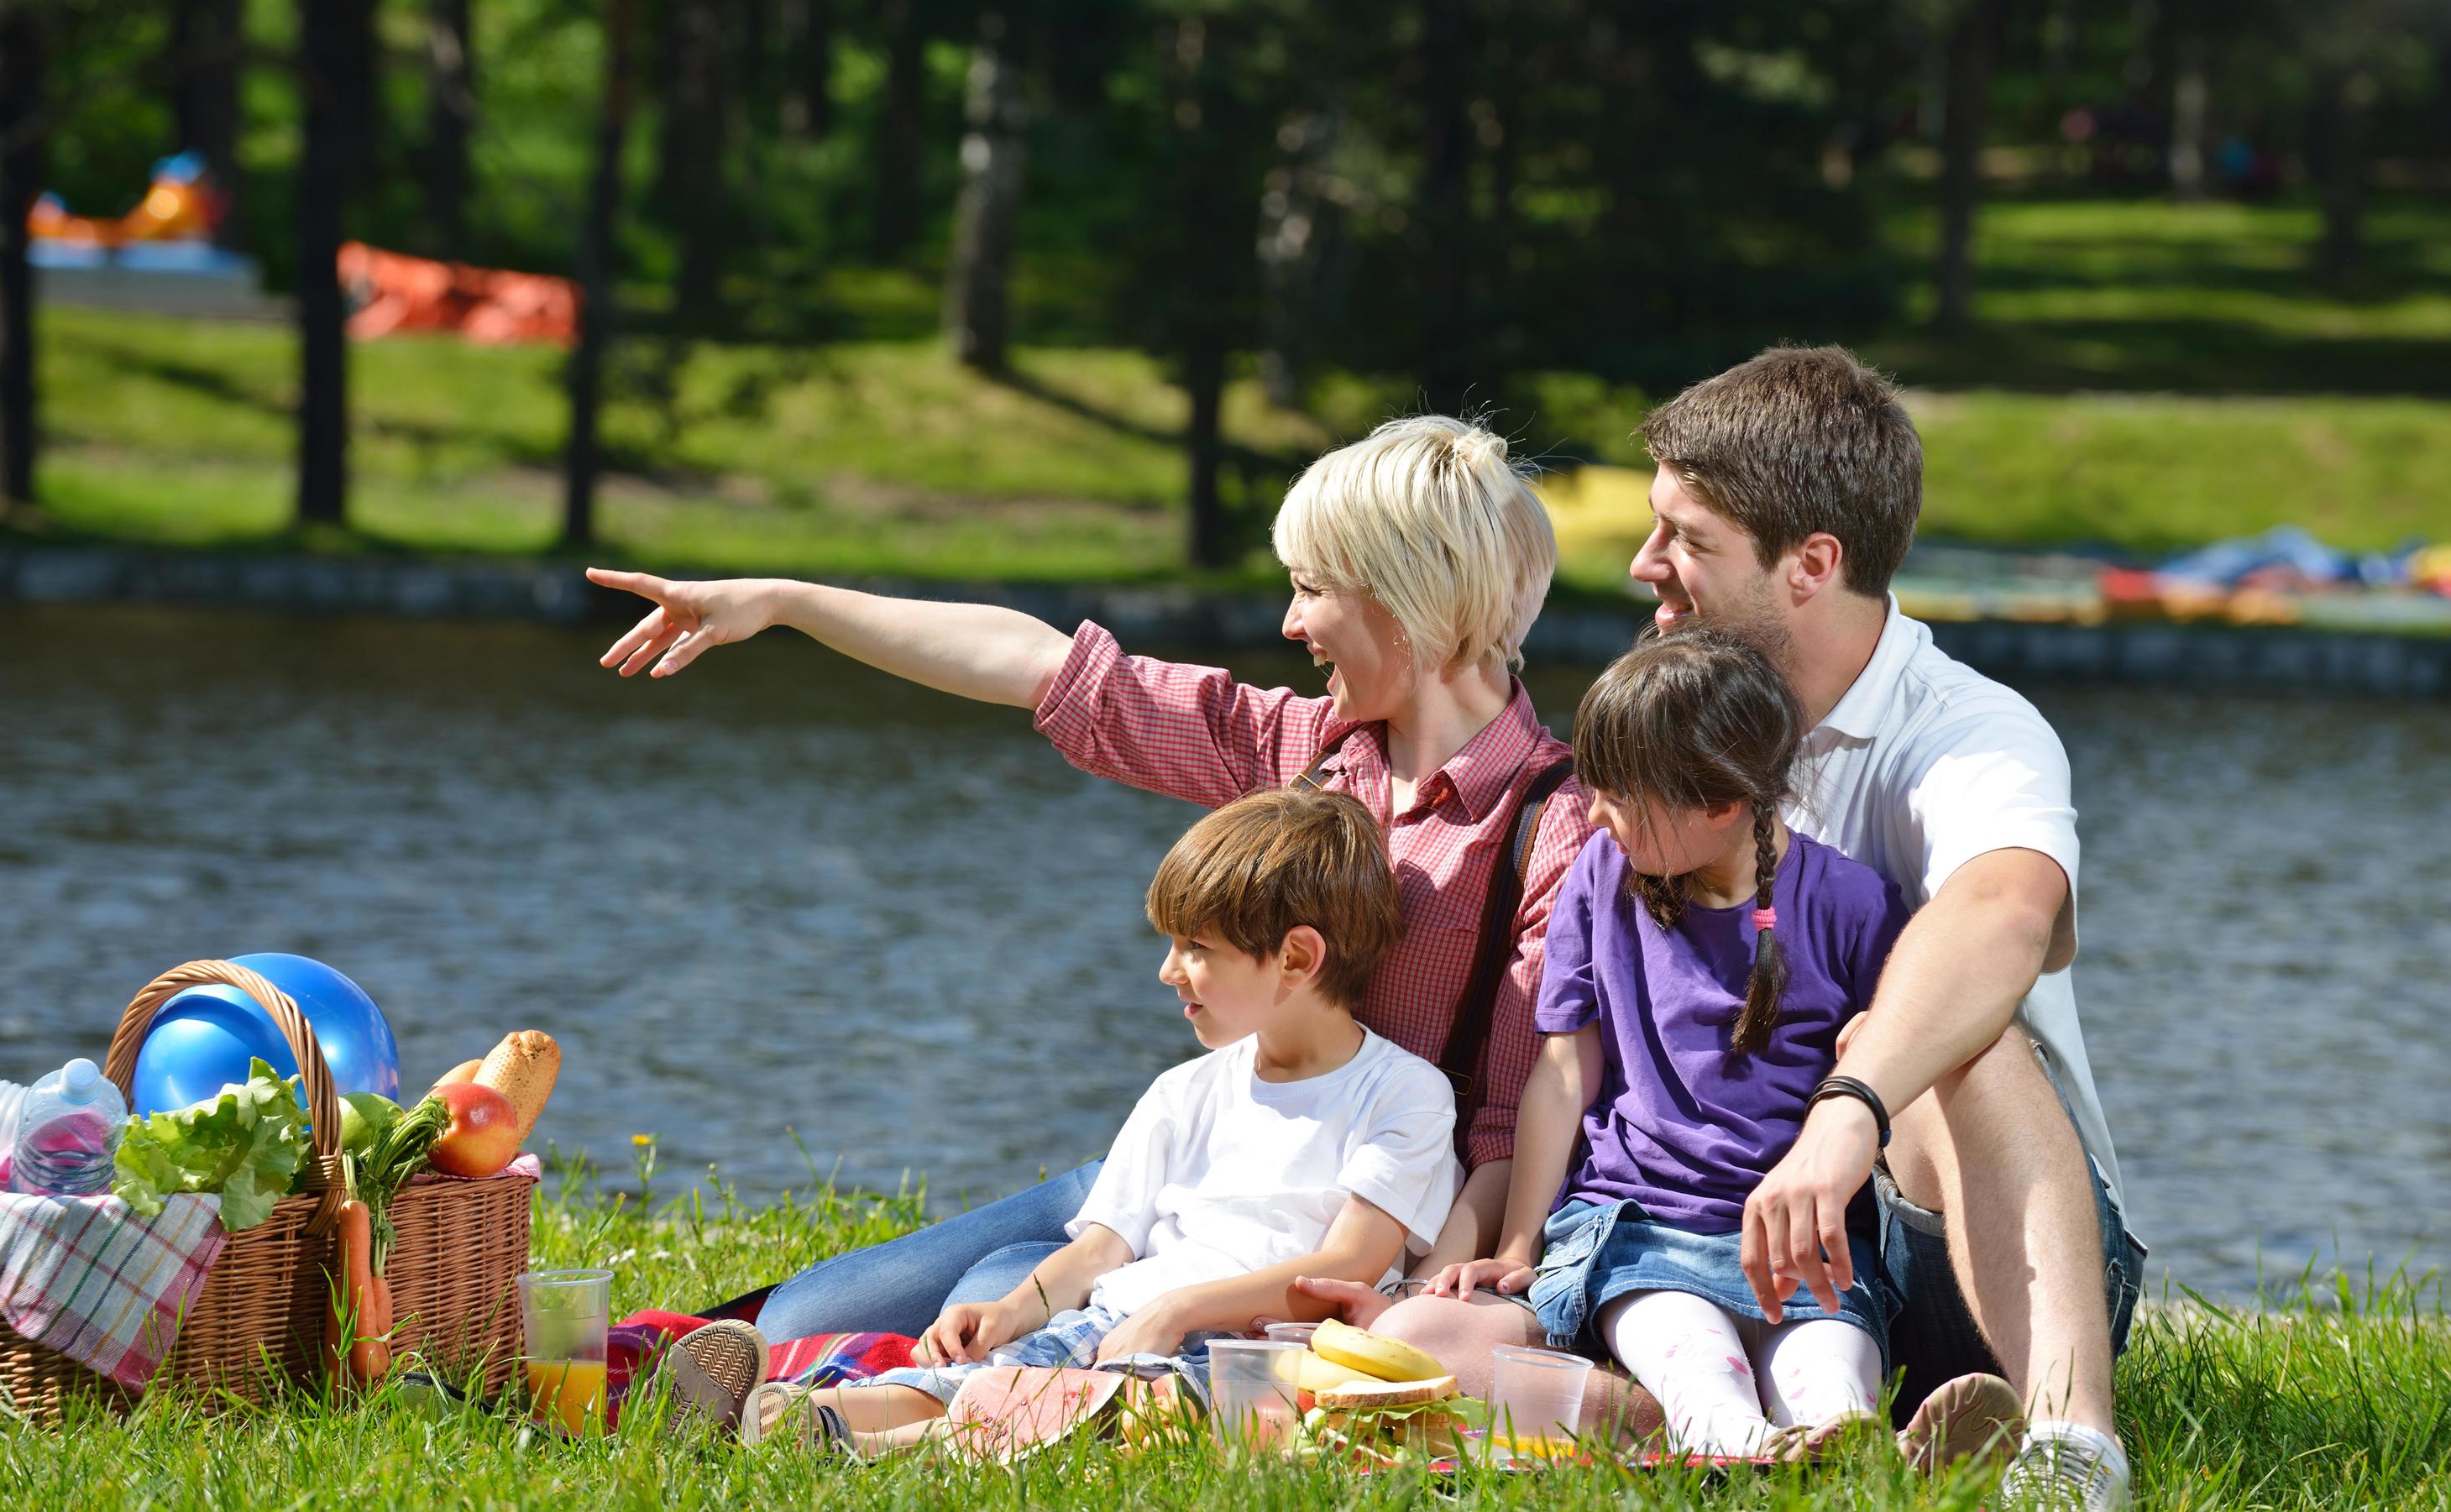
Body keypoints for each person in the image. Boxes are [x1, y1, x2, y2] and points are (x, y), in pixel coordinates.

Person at [1304, 347, 2146, 1512]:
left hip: (1953, 1238)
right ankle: (1723, 1431)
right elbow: (1568, 1046)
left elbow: (2005, 913)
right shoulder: (1672, 728)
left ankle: (2068, 1452)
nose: (1646, 564)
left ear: (1811, 564)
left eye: (1685, 538)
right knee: (1433, 1335)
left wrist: (1846, 1114)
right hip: (1695, 1228)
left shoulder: (1969, 733)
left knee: (1957, 1030)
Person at [587, 413, 1590, 1346]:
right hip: (1194, 1174)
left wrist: (1416, 1310)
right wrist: (785, 603)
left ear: (1408, 597)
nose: (1290, 622)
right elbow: (1044, 666)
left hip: (1334, 1222)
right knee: (798, 1318)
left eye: (1313, 586)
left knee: (1008, 1293)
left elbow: (1509, 1118)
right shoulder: (1299, 749)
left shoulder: (1556, 823)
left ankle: (968, 1370)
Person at [665, 788, 1463, 1453]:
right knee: (965, 1379)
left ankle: (846, 1443)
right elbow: (1101, 1248)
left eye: (1196, 947)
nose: (1167, 970)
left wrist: (1181, 1309)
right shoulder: (1184, 1090)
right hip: (1124, 1317)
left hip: (1255, 1352)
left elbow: (1350, 1265)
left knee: (1117, 1412)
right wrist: (1009, 1310)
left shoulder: (1402, 1093)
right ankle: (788, 1419)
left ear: (1294, 958)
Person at [1430, 628, 1909, 1457]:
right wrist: (1520, 1242)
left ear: (1721, 804)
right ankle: (1740, 1447)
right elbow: (1560, 1071)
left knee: (1828, 1377)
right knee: (1699, 1372)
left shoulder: (1854, 905)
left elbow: (1888, 1068)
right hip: (1640, 1230)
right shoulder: (1600, 877)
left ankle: (1858, 1450)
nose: (1593, 814)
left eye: (1618, 796)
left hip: (1802, 1250)